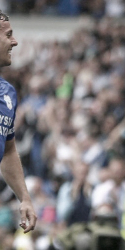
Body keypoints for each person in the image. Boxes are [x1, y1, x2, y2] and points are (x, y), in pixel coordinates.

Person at [0, 10, 36, 233]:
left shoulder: (8, 94)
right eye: (8, 35)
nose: (15, 41)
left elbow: (9, 150)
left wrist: (24, 197)